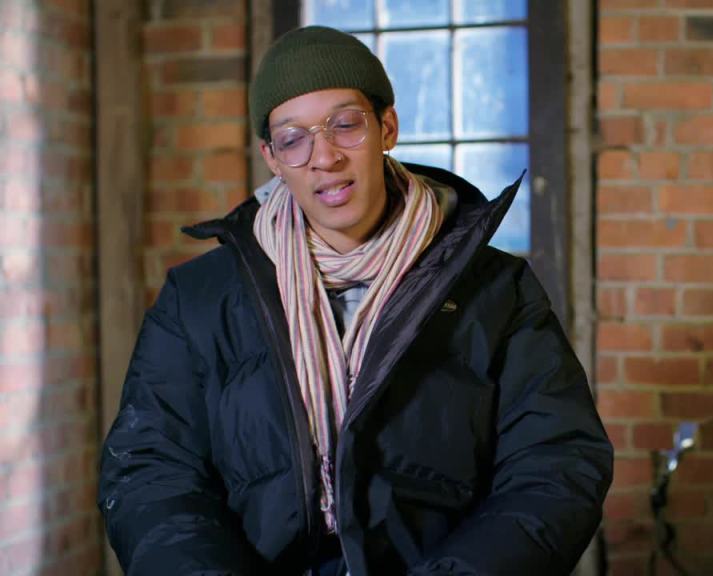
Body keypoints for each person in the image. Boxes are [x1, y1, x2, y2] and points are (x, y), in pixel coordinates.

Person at [98, 25, 613, 575]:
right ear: (271, 157)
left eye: (345, 125)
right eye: (293, 138)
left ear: (387, 127)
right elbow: (151, 472)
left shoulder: (496, 290)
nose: (324, 157)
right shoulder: (197, 300)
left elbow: (556, 463)